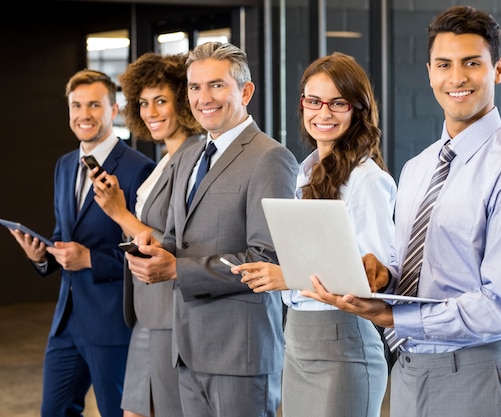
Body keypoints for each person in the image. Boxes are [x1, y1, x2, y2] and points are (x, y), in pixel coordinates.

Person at [302, 6, 501, 417]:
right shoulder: (418, 168)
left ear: (497, 70)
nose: (456, 78)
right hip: (409, 369)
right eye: (444, 64)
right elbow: (408, 264)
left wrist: (391, 317)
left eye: (472, 63)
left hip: (474, 370)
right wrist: (381, 274)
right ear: (429, 72)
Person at [125, 41, 299, 417]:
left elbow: (266, 258)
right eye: (194, 87)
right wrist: (152, 249)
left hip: (240, 353)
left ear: (245, 91)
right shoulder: (188, 156)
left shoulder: (270, 158)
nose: (204, 97)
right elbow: (176, 239)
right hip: (186, 349)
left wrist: (176, 269)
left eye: (216, 85)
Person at [230, 52, 396, 417]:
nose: (324, 113)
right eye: (314, 101)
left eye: (338, 103)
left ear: (358, 109)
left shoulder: (367, 179)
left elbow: (371, 278)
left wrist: (285, 276)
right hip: (298, 338)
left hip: (344, 342)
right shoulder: (304, 173)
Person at [6, 69, 155, 417]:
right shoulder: (64, 165)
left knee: (115, 412)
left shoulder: (139, 169)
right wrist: (42, 257)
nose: (83, 114)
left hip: (111, 322)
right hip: (66, 321)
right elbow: (63, 234)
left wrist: (90, 259)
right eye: (76, 106)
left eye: (94, 105)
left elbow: (149, 251)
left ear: (114, 110)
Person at [88, 52, 204, 417]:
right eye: (143, 103)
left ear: (182, 103)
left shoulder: (194, 156)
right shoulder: (165, 160)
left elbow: (172, 241)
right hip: (147, 312)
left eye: (161, 101)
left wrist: (119, 213)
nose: (151, 112)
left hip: (170, 312)